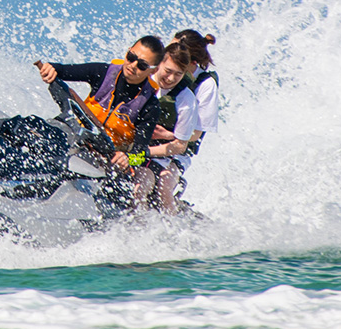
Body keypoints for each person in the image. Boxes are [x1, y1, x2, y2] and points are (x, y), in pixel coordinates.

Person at [34, 36, 164, 173]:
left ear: (153, 70)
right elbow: (62, 70)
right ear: (127, 52)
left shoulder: (150, 106)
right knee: (30, 126)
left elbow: (140, 155)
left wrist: (127, 159)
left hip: (102, 161)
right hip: (73, 136)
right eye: (131, 57)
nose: (133, 65)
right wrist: (51, 68)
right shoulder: (103, 72)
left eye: (142, 65)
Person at [140, 41, 197, 214]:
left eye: (178, 74)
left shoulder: (186, 99)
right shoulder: (141, 81)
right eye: (168, 71)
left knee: (146, 185)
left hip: (165, 155)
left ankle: (169, 228)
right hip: (131, 147)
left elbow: (180, 145)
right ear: (158, 65)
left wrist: (145, 152)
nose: (171, 78)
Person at [164, 30, 218, 170]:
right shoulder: (161, 71)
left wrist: (166, 135)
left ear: (192, 61)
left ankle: (175, 187)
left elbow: (196, 134)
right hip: (147, 145)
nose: (169, 55)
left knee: (163, 186)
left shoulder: (205, 84)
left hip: (178, 153)